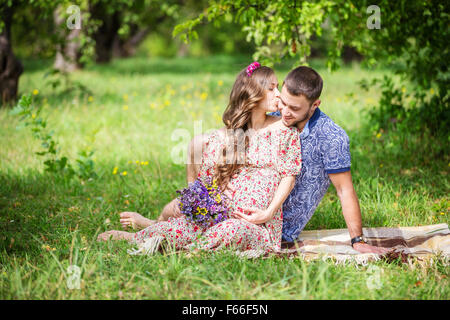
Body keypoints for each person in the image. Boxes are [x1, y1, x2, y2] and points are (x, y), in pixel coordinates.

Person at [112, 65, 390, 255]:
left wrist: (358, 241)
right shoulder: (273, 119)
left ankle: (164, 236)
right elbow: (238, 137)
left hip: (272, 221)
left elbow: (344, 189)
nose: (284, 108)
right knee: (182, 210)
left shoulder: (328, 136)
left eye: (293, 108)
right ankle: (152, 231)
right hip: (234, 208)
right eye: (279, 97)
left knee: (222, 228)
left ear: (315, 105)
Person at [98, 62, 303, 256]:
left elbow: (289, 176)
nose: (278, 94)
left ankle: (189, 249)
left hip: (257, 225)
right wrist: (215, 192)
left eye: (278, 87)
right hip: (219, 215)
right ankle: (137, 238)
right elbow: (206, 180)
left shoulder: (284, 130)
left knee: (232, 231)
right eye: (272, 88)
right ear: (253, 94)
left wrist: (267, 213)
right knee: (183, 226)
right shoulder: (230, 135)